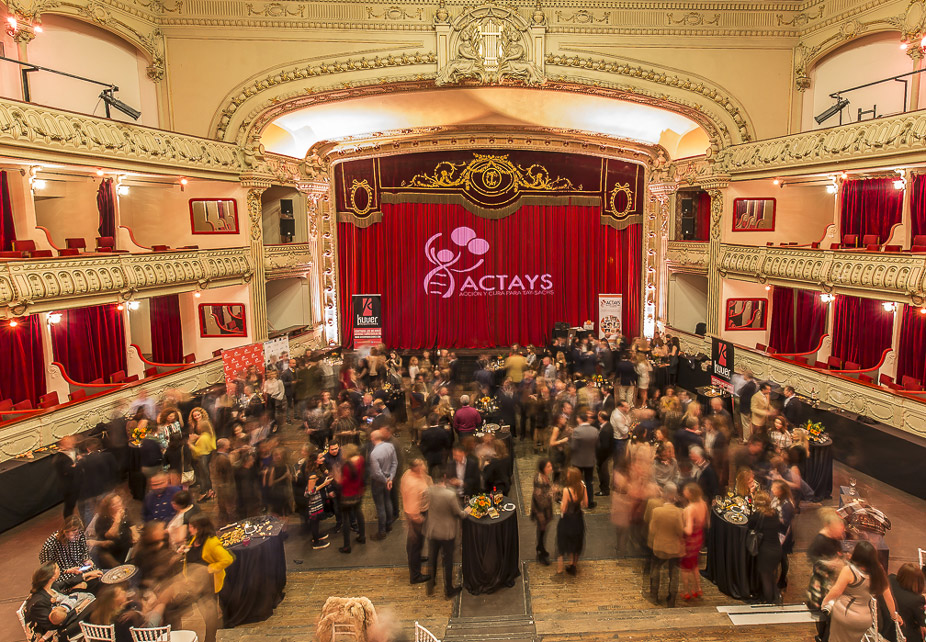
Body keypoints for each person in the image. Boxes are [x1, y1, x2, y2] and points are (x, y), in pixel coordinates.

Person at [822, 540, 902, 642]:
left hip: (845, 615)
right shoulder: (879, 570)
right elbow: (888, 596)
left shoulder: (849, 570)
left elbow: (836, 590)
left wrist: (825, 602)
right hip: (865, 618)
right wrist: (894, 616)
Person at [184, 515, 234, 642]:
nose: (189, 529)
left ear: (200, 528)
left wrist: (211, 568)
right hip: (195, 583)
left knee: (209, 614)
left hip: (208, 585)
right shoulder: (194, 539)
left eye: (191, 527)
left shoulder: (211, 543)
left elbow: (227, 559)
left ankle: (210, 638)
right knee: (203, 611)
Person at [24, 562, 95, 640]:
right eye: (58, 568)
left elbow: (66, 583)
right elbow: (54, 624)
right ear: (52, 576)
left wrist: (86, 575)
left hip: (64, 616)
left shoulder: (50, 586)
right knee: (92, 610)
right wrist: (79, 608)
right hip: (54, 632)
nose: (59, 570)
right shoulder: (39, 602)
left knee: (86, 590)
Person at [424, 475, 465, 598]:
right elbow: (459, 513)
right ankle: (448, 590)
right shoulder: (450, 495)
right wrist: (467, 511)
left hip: (433, 531)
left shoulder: (429, 491)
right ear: (444, 478)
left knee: (432, 559)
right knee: (447, 562)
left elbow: (424, 506)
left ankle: (430, 587)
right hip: (447, 533)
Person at [39, 516, 102, 593]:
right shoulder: (50, 545)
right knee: (85, 582)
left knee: (96, 575)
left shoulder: (80, 534)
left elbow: (84, 550)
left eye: (78, 533)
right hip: (62, 573)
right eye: (75, 534)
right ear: (65, 531)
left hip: (79, 567)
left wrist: (86, 560)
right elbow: (47, 569)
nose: (77, 537)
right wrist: (66, 571)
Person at [648, 483, 684, 607]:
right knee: (674, 572)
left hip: (659, 547)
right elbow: (680, 531)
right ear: (674, 496)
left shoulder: (656, 511)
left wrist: (651, 543)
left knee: (656, 569)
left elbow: (652, 530)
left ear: (664, 494)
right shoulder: (679, 512)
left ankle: (654, 595)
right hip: (674, 547)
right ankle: (672, 598)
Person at [748, 491, 784, 604]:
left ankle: (769, 602)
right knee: (771, 575)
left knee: (766, 578)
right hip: (777, 549)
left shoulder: (757, 516)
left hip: (765, 551)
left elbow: (749, 527)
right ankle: (776, 596)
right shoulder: (775, 513)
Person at [400, 459, 432, 584]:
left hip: (418, 512)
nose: (425, 466)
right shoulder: (413, 483)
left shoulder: (409, 473)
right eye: (422, 465)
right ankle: (415, 575)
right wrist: (418, 519)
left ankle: (417, 559)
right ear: (417, 468)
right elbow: (411, 507)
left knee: (416, 544)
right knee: (415, 545)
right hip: (416, 516)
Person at [86, 493, 135, 568]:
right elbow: (111, 535)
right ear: (108, 507)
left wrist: (134, 534)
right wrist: (117, 520)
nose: (119, 505)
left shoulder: (125, 512)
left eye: (119, 501)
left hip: (125, 546)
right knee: (113, 563)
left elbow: (131, 525)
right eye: (115, 504)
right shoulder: (101, 520)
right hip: (110, 550)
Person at [556, 466, 588, 575]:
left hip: (568, 520)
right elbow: (586, 503)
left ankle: (564, 564)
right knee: (577, 540)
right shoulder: (582, 486)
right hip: (578, 518)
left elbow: (563, 508)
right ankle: (573, 564)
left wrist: (559, 502)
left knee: (565, 539)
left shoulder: (567, 490)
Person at [882, 564, 926, 642]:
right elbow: (921, 621)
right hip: (902, 635)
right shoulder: (917, 599)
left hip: (884, 626)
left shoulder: (890, 579)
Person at [368, 429, 398, 540]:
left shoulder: (374, 454)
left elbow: (376, 473)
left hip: (378, 482)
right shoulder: (390, 446)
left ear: (373, 439)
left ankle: (381, 531)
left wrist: (385, 481)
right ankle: (389, 525)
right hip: (389, 479)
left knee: (380, 506)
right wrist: (390, 478)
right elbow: (395, 463)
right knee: (388, 501)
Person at [337, 444, 366, 553]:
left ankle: (346, 546)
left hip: (347, 496)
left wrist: (337, 478)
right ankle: (362, 537)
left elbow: (343, 482)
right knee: (359, 514)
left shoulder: (346, 465)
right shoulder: (361, 459)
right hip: (358, 492)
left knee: (346, 520)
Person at [680, 482, 707, 600]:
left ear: (690, 494)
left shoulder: (690, 509)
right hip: (699, 537)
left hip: (690, 541)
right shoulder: (703, 504)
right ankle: (698, 588)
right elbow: (706, 522)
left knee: (685, 568)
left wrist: (679, 526)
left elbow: (688, 530)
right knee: (694, 564)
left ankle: (686, 591)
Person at [569, 409, 599, 509]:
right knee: (589, 481)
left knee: (577, 481)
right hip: (590, 460)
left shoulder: (577, 431)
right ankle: (589, 501)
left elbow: (573, 447)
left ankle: (577, 500)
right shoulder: (594, 430)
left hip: (578, 460)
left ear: (580, 419)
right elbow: (597, 445)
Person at [531, 459, 555, 566]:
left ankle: (541, 547)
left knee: (543, 530)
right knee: (541, 530)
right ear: (543, 468)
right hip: (540, 511)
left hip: (546, 509)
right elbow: (538, 498)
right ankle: (540, 551)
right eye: (548, 467)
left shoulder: (545, 477)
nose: (551, 468)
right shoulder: (539, 479)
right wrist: (552, 493)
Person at [55, 436, 80, 519]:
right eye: (69, 443)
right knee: (69, 506)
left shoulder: (74, 451)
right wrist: (77, 465)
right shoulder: (59, 458)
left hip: (76, 483)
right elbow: (68, 471)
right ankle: (68, 522)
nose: (72, 444)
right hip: (69, 486)